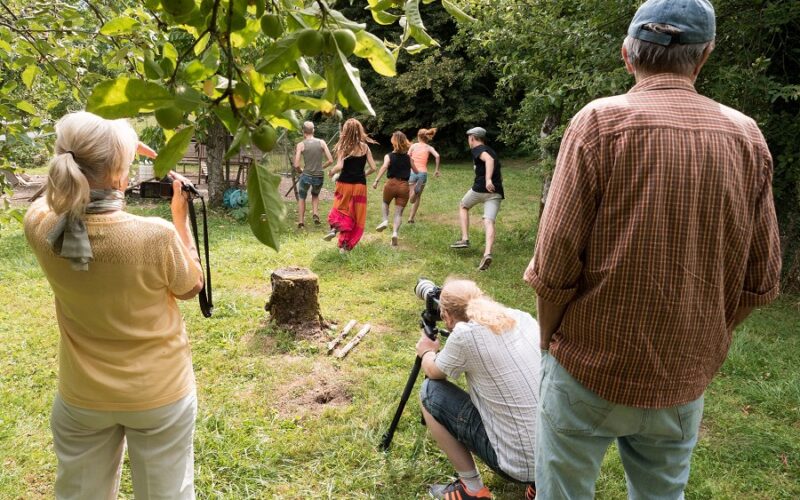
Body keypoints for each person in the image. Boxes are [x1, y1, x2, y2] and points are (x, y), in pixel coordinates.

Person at [524, 1, 782, 498]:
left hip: (586, 366)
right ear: (704, 56)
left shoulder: (599, 123)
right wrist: (710, 338)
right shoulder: (746, 136)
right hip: (683, 375)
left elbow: (554, 264)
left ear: (627, 55)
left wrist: (548, 343)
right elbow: (761, 279)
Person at [23, 111, 204, 498]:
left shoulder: (40, 227)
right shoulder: (155, 236)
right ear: (122, 175)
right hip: (159, 393)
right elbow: (192, 287)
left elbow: (46, 200)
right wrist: (180, 219)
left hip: (81, 395)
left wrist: (105, 156)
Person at [415, 279, 540, 500]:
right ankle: (540, 485)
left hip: (517, 466)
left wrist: (426, 351)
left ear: (447, 316)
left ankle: (471, 489)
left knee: (430, 393)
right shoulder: (520, 317)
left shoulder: (465, 335)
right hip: (556, 455)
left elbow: (434, 372)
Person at [450, 127, 503, 271]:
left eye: (469, 137)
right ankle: (487, 253)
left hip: (481, 188)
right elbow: (492, 159)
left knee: (463, 206)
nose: (468, 140)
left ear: (472, 138)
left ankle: (465, 238)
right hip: (496, 192)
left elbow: (489, 160)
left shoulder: (478, 149)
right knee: (489, 221)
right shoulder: (490, 149)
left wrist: (487, 180)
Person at [325, 118, 377, 252]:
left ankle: (335, 228)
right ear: (359, 131)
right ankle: (345, 246)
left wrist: (331, 172)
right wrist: (363, 175)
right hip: (360, 186)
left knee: (341, 209)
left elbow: (339, 166)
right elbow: (373, 167)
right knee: (355, 214)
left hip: (344, 184)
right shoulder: (365, 147)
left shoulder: (344, 146)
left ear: (345, 131)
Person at [372, 131, 417, 246]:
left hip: (391, 184)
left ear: (393, 142)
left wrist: (376, 180)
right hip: (404, 185)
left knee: (385, 203)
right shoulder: (408, 158)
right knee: (398, 213)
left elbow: (385, 166)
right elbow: (416, 171)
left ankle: (385, 220)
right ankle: (395, 233)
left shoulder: (389, 156)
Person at [293, 120, 333, 228]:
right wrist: (321, 167)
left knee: (302, 197)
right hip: (319, 176)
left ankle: (301, 221)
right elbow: (330, 160)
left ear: (303, 131)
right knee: (315, 195)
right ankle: (315, 214)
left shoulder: (301, 145)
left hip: (306, 175)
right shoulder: (322, 142)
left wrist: (301, 171)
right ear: (313, 130)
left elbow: (296, 165)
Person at [406, 128, 440, 224]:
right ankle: (411, 218)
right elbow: (437, 156)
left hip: (413, 172)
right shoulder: (428, 147)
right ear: (427, 137)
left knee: (411, 199)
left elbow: (408, 157)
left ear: (418, 137)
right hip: (423, 173)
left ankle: (413, 193)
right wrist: (436, 170)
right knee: (418, 197)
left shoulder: (413, 146)